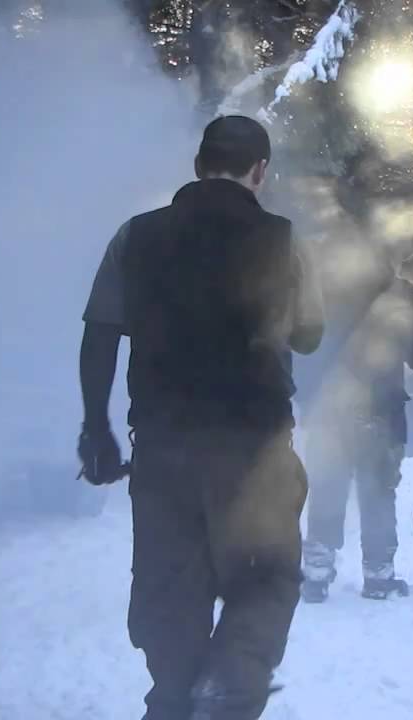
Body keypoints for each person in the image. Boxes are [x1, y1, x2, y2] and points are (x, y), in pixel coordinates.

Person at [77, 115, 324, 720]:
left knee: (171, 598)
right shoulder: (285, 241)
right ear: (259, 171)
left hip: (165, 453)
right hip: (255, 452)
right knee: (263, 581)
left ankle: (172, 705)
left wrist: (96, 428)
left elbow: (100, 334)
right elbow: (311, 335)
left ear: (198, 164)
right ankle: (229, 687)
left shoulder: (136, 237)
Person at [298, 234, 413, 603]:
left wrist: (307, 400)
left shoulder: (329, 288)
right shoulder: (403, 294)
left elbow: (309, 347)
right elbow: (411, 345)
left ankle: (316, 576)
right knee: (378, 493)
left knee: (327, 488)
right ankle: (378, 576)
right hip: (380, 411)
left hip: (330, 413)